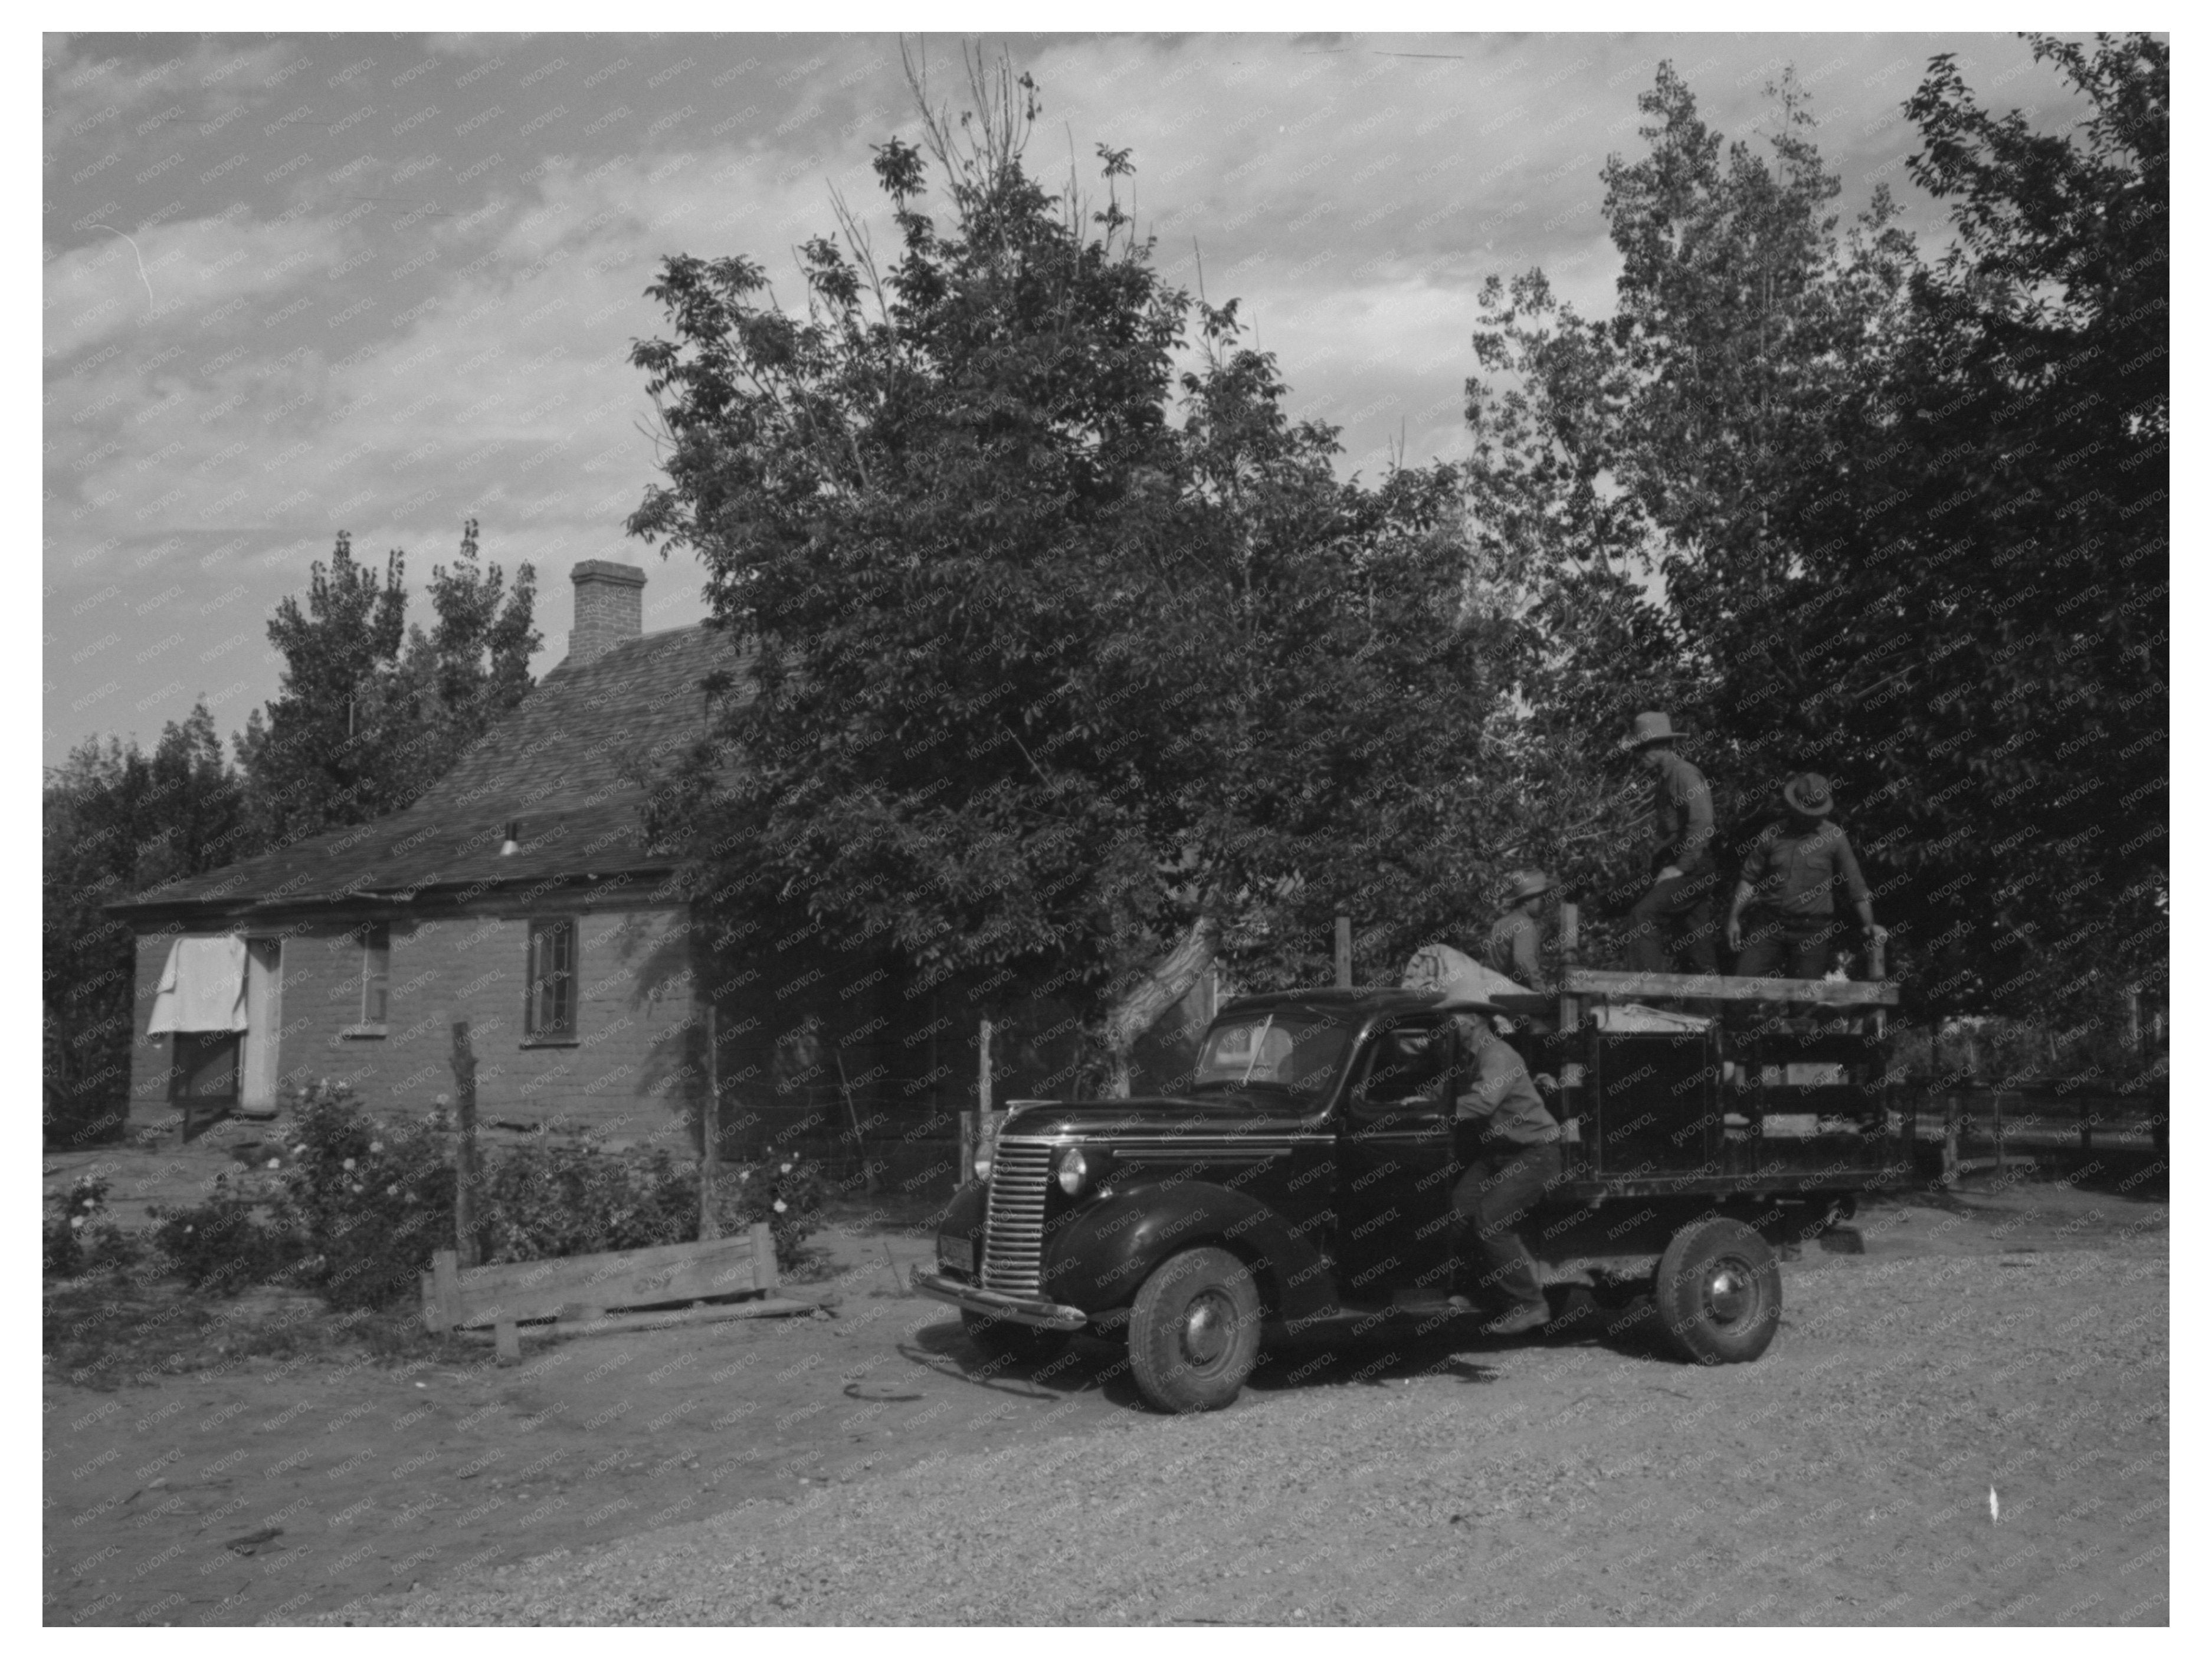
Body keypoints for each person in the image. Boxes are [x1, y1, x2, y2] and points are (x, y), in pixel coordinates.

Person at [1446, 1014, 1563, 1336]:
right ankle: (1485, 1292)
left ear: (1472, 1021)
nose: (1447, 1024)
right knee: (1459, 1210)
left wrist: (1436, 1110)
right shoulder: (1474, 1056)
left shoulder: (1497, 1054)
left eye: (1453, 1018)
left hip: (1535, 1151)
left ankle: (1531, 1304)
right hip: (1500, 1151)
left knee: (1491, 1221)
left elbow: (1483, 1103)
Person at [1727, 772, 1889, 981]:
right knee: (1740, 989)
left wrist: (1868, 924)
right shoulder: (1772, 833)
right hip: (1768, 925)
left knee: (1804, 1006)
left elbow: (1857, 888)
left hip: (1811, 932)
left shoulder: (1835, 838)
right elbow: (1749, 879)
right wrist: (1733, 918)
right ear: (1793, 808)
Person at [1619, 712, 1722, 979]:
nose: (1639, 755)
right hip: (1684, 866)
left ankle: (1648, 992)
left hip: (1692, 866)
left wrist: (1680, 868)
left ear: (1665, 746)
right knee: (1696, 942)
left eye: (1644, 747)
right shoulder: (1665, 779)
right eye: (1637, 748)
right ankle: (1708, 1015)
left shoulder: (1683, 773)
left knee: (1643, 916)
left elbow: (1702, 822)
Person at [1484, 867, 1554, 990]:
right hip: (1515, 995)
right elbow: (1524, 961)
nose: (1545, 904)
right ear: (1527, 901)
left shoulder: (1500, 924)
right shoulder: (1524, 925)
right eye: (1541, 899)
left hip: (1494, 991)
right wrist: (1541, 988)